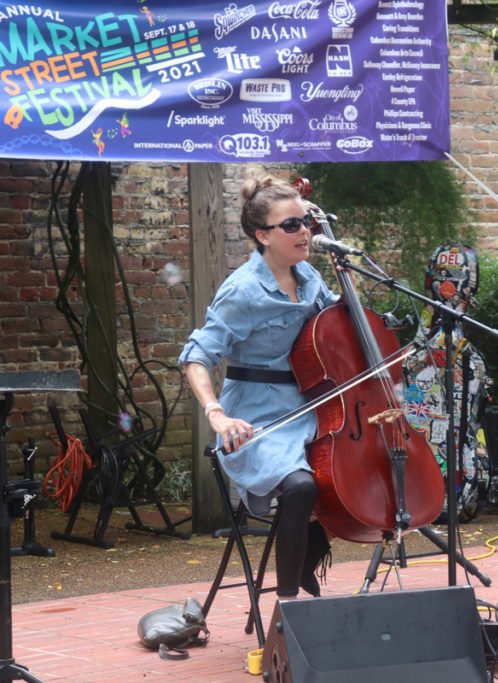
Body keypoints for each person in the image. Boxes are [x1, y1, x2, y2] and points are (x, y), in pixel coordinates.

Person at [179, 174, 338, 600]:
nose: (304, 231)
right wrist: (216, 413)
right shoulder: (243, 290)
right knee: (302, 486)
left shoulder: (309, 279)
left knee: (347, 472)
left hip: (306, 407)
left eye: (306, 222)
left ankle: (307, 553)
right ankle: (288, 612)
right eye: (291, 225)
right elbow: (197, 355)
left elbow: (336, 329)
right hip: (255, 416)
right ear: (262, 235)